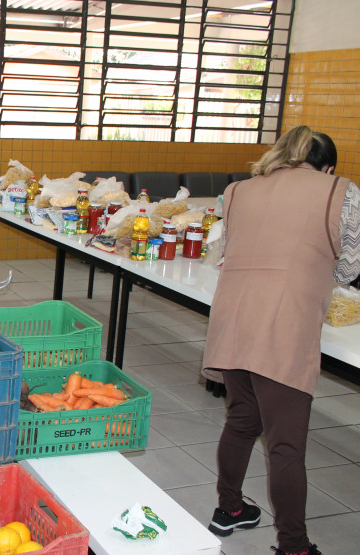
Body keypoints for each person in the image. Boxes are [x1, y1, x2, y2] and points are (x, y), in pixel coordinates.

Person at [202, 126, 360, 555]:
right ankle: (294, 546)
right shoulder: (340, 191)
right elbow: (349, 268)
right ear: (327, 167)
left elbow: (227, 250)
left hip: (234, 316)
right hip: (284, 323)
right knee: (286, 444)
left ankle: (229, 508)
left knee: (241, 421)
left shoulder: (238, 190)